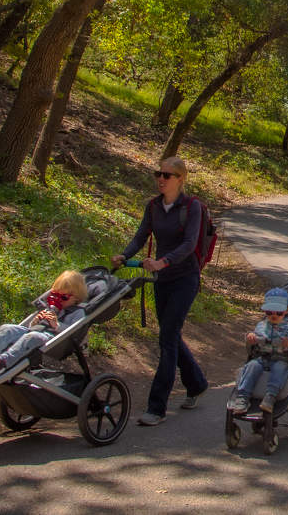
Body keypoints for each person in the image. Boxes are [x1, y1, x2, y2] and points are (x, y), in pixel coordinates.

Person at [111, 155, 209, 425]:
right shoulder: (153, 207)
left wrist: (163, 261)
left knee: (167, 337)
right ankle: (197, 383)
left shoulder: (192, 207)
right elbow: (141, 236)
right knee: (171, 334)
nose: (161, 179)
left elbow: (189, 244)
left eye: (167, 175)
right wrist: (124, 255)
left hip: (185, 278)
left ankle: (156, 407)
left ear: (181, 179)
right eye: (158, 174)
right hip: (162, 280)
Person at [0, 269, 88, 375]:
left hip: (52, 339)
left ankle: (2, 361)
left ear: (76, 298)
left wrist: (56, 325)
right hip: (34, 331)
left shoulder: (77, 313)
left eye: (64, 297)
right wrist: (36, 320)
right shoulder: (50, 306)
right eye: (55, 295)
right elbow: (31, 326)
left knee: (32, 337)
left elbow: (75, 333)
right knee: (7, 328)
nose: (58, 300)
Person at [228, 287, 288, 414]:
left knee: (280, 369)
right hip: (262, 357)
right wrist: (250, 337)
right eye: (269, 312)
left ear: (286, 311)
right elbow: (253, 339)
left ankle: (270, 396)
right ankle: (243, 396)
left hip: (282, 358)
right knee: (251, 366)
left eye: (278, 313)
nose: (274, 315)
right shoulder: (262, 325)